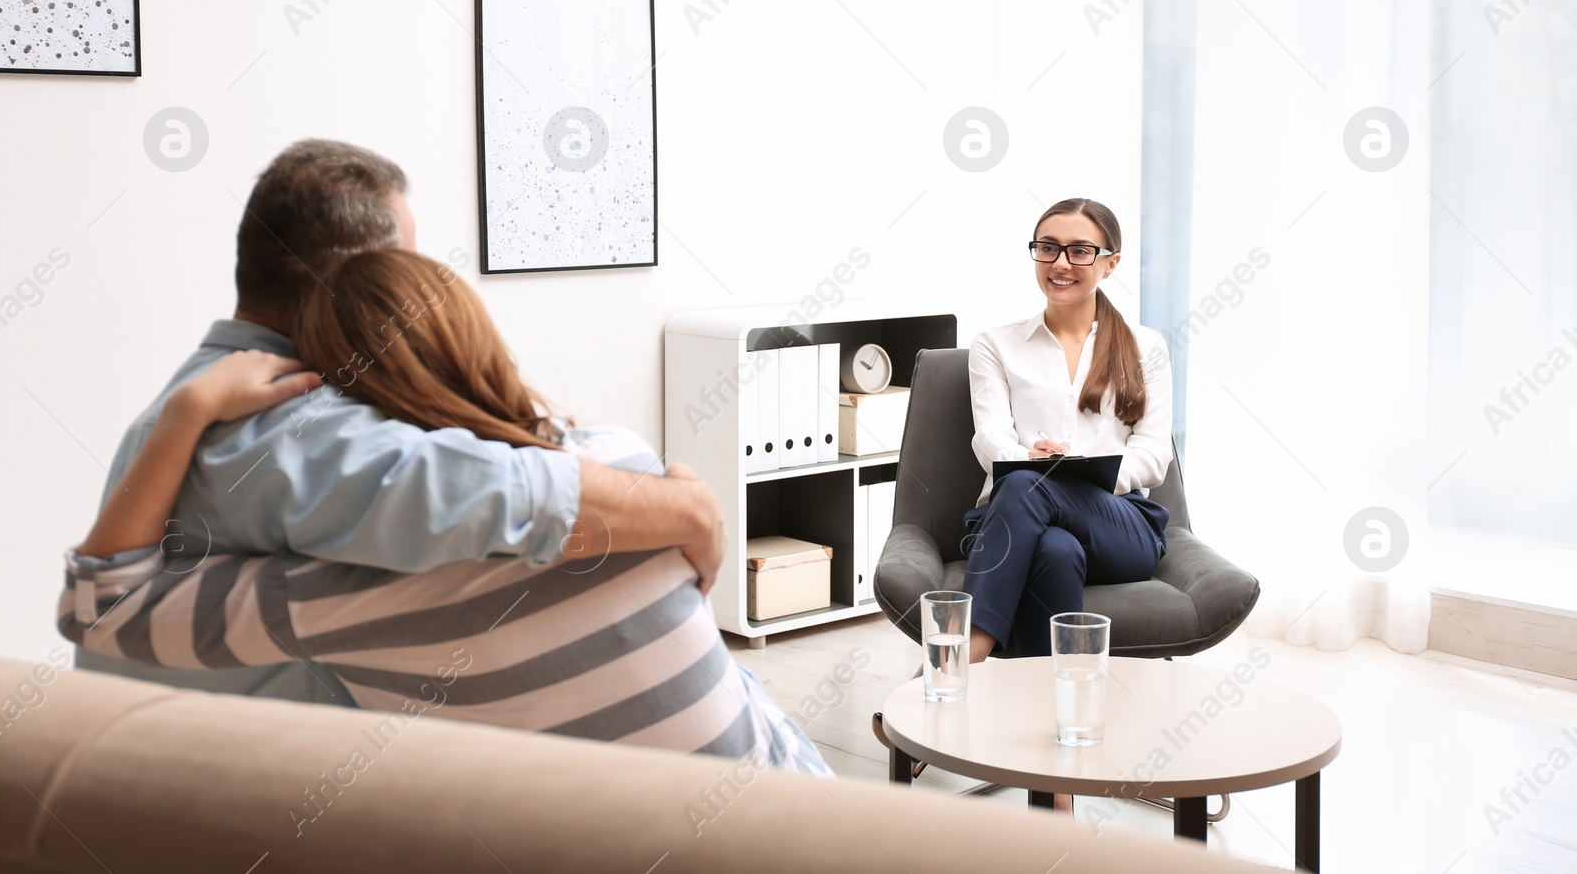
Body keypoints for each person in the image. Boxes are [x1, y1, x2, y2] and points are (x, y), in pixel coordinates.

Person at [61, 250, 829, 773]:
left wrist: (187, 410)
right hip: (795, 804)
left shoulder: (335, 600)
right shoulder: (626, 465)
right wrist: (687, 493)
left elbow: (100, 609)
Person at [75, 140, 724, 705]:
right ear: (358, 284)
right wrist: (690, 509)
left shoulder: (197, 390)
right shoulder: (286, 426)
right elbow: (499, 492)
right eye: (406, 266)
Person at [961, 198, 1173, 665]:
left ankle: (953, 664)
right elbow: (989, 436)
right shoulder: (995, 344)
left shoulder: (1146, 347)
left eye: (1080, 251)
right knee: (1054, 549)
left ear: (1110, 263)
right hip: (1015, 521)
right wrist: (1028, 461)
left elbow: (1154, 455)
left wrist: (1069, 476)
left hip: (1118, 526)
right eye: (1048, 248)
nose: (1060, 263)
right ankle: (1057, 709)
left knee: (1023, 481)